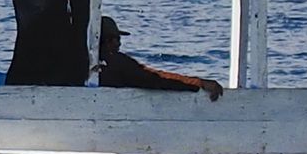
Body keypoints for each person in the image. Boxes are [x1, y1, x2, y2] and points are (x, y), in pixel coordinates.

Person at [94, 16, 224, 98]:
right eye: (116, 39)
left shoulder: (88, 62)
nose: (119, 43)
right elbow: (154, 78)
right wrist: (199, 83)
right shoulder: (118, 62)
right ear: (108, 40)